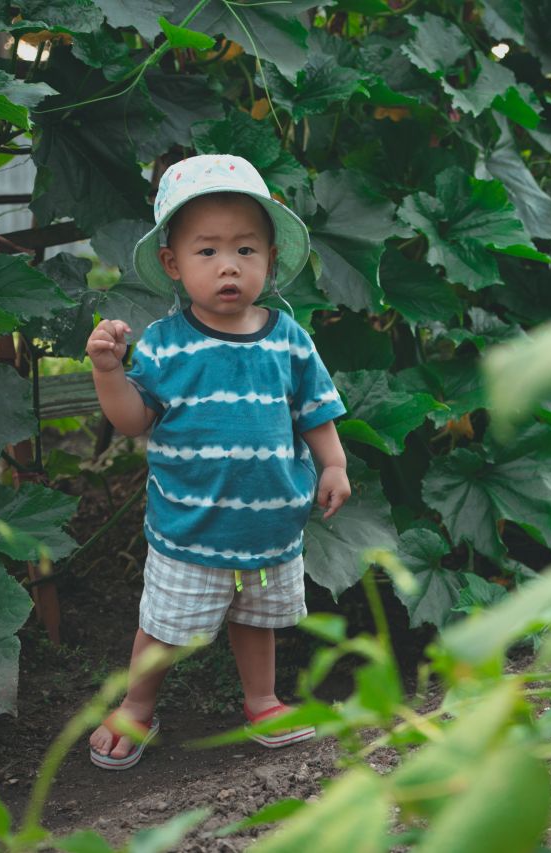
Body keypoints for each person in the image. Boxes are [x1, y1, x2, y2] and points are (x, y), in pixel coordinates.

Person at [83, 154, 351, 770]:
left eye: (246, 250)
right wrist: (108, 373)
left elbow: (315, 410)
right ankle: (136, 707)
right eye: (207, 252)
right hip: (190, 528)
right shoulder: (165, 346)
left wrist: (332, 465)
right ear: (174, 264)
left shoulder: (288, 337)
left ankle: (262, 700)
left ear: (271, 259)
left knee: (257, 619)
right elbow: (134, 419)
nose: (229, 265)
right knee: (164, 628)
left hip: (271, 526)